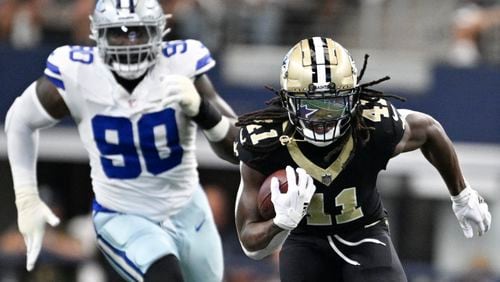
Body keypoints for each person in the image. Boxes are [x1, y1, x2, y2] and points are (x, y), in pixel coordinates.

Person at [5, 0, 239, 281]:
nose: (129, 43)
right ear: (98, 35)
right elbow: (19, 120)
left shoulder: (181, 65)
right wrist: (26, 197)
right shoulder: (78, 72)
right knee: (165, 277)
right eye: (118, 33)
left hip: (187, 209)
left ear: (159, 32)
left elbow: (239, 148)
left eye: (138, 32)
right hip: (122, 214)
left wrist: (202, 110)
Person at [234, 37, 492, 281]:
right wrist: (279, 224)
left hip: (365, 233)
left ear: (353, 99)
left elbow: (430, 130)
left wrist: (462, 195)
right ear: (288, 102)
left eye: (333, 104)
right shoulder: (264, 141)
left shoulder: (373, 126)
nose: (322, 120)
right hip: (304, 242)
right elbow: (250, 243)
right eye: (310, 107)